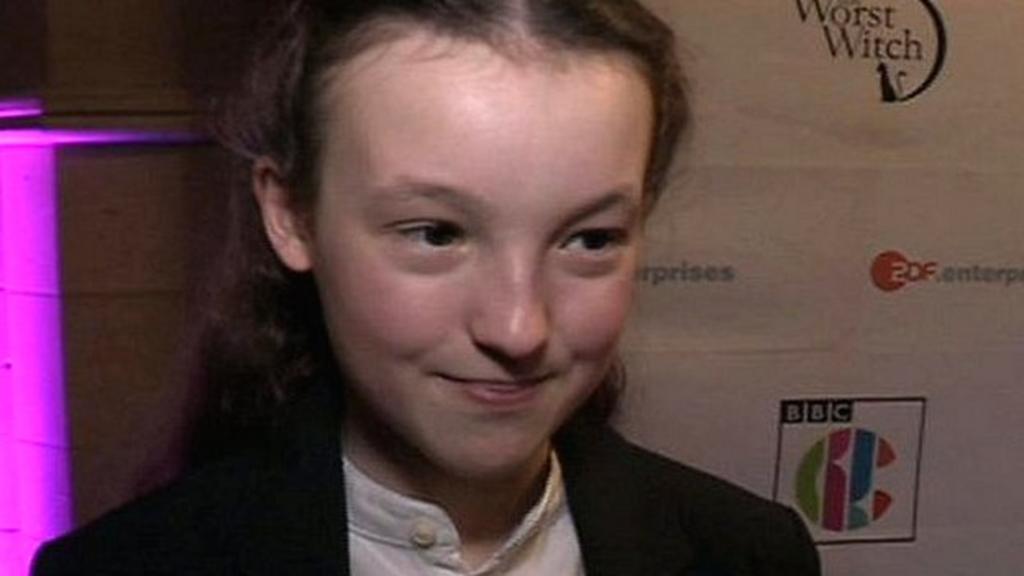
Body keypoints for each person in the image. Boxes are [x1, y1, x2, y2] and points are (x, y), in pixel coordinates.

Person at [32, 1, 821, 574]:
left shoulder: (747, 555)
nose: (518, 326)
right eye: (437, 233)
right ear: (292, 215)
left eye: (589, 239)